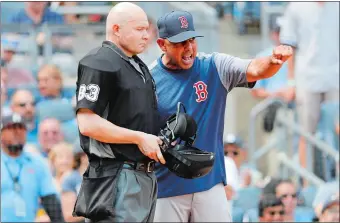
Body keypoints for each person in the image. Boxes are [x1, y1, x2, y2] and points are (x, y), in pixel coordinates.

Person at [149, 10, 292, 222]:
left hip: (209, 184)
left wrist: (272, 61)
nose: (189, 48)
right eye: (180, 43)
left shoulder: (214, 66)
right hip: (167, 186)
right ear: (162, 44)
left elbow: (254, 68)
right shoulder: (149, 80)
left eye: (191, 40)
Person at [73, 2, 165, 222]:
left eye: (148, 29)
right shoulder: (99, 61)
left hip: (144, 175)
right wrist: (139, 137)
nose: (147, 35)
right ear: (116, 29)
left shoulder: (138, 65)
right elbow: (87, 123)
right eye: (139, 29)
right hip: (116, 176)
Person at [280, 2, 339, 183]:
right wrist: (291, 82)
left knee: (338, 129)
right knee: (306, 134)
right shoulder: (296, 7)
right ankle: (307, 185)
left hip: (335, 77)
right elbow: (289, 47)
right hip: (306, 78)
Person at [1, 113, 64, 222]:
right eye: (11, 128)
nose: (17, 132)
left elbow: (51, 201)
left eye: (21, 128)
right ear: (1, 133)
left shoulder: (37, 163)